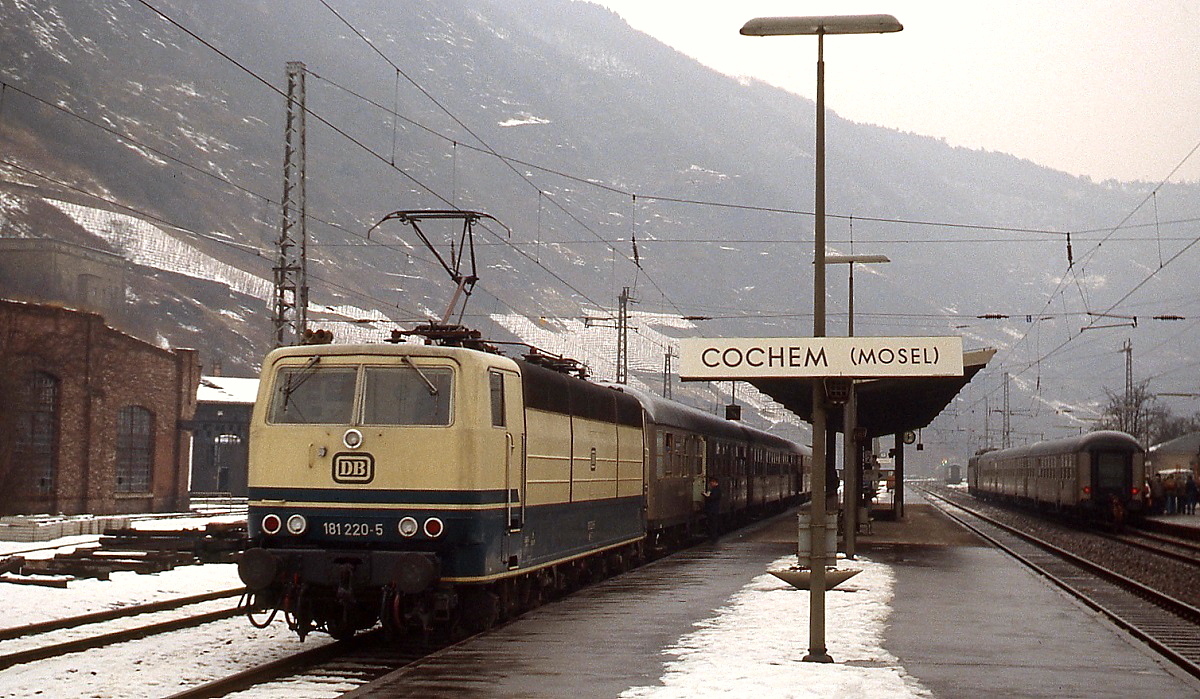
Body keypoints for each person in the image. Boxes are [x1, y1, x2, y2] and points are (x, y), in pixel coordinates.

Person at [703, 477, 722, 542]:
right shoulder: (715, 489)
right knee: (712, 524)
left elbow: (713, 498)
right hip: (713, 510)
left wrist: (706, 496)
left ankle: (714, 538)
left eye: (712, 482)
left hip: (713, 510)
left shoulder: (716, 490)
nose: (711, 483)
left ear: (715, 482)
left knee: (713, 524)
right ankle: (713, 537)